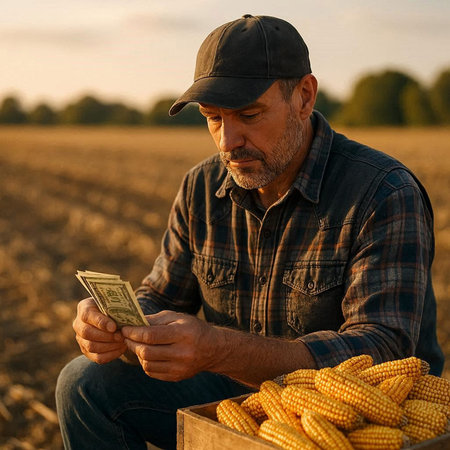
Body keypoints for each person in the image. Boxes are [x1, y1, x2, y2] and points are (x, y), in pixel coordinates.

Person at [56, 14, 444, 449]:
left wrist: (219, 349)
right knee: (84, 383)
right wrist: (116, 323)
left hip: (359, 421)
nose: (227, 141)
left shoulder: (382, 192)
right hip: (241, 398)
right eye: (213, 117)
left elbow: (384, 350)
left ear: (304, 96)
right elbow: (160, 296)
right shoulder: (200, 187)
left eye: (248, 114)